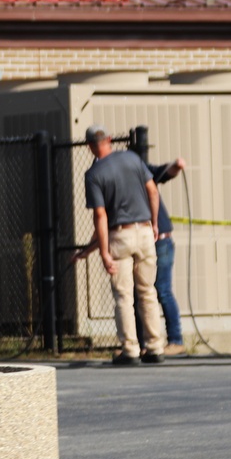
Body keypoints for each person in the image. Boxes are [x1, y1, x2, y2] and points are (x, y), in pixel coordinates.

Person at [77, 124, 165, 365]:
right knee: (148, 291)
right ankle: (155, 347)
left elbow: (101, 216)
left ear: (90, 147)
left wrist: (103, 252)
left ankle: (131, 350)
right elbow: (152, 191)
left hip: (120, 235)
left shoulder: (94, 175)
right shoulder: (133, 159)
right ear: (110, 139)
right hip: (145, 231)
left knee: (124, 296)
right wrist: (154, 223)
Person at [138, 158, 187, 357]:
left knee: (163, 290)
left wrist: (176, 166)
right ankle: (144, 343)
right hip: (142, 239)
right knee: (141, 291)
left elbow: (165, 172)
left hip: (161, 240)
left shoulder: (141, 170)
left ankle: (176, 340)